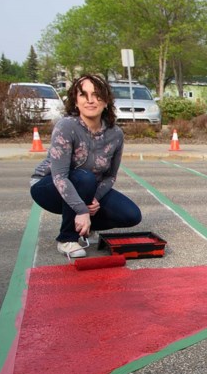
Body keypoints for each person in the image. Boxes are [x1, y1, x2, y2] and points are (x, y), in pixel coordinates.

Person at [29, 74, 141, 258]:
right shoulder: (66, 127)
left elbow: (110, 176)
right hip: (49, 186)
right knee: (84, 177)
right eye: (83, 95)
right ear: (75, 101)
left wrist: (95, 199)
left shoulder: (116, 134)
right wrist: (82, 209)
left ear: (106, 102)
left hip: (89, 189)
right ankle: (67, 239)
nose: (90, 100)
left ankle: (85, 226)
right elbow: (60, 177)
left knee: (131, 215)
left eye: (97, 95)